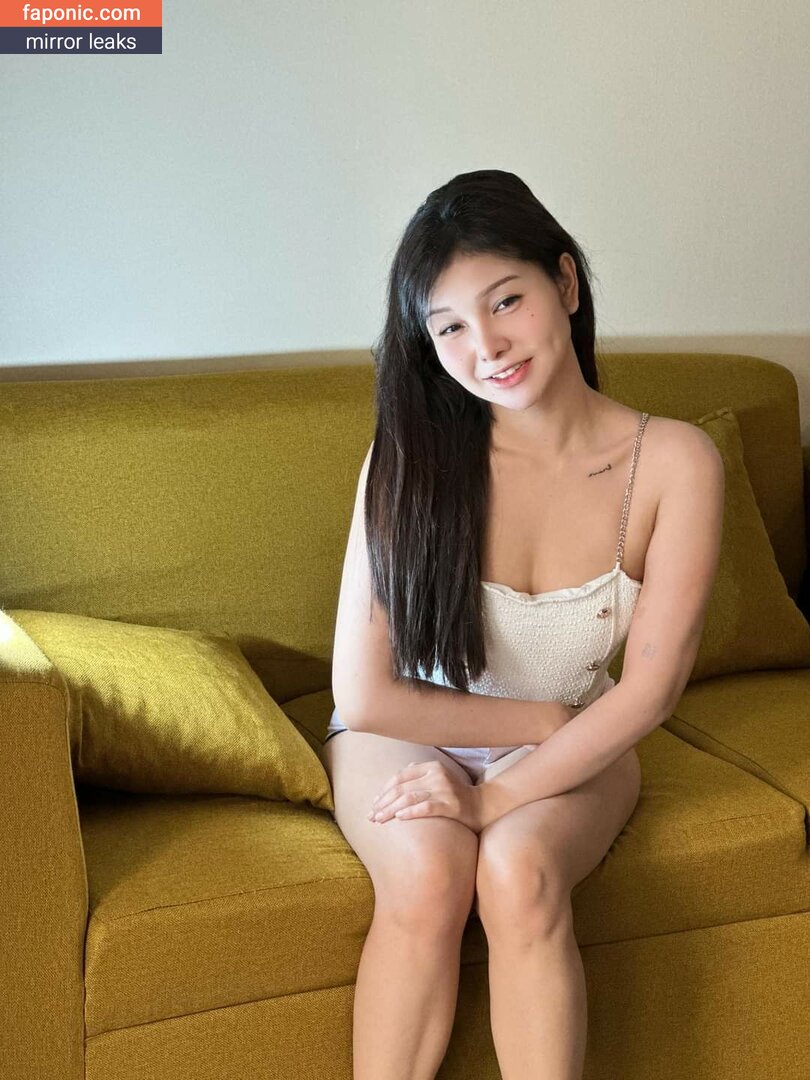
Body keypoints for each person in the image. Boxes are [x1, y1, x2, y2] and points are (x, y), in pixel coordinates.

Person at [318, 169, 724, 1080]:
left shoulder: (676, 463)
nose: (487, 346)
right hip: (409, 726)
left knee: (519, 871)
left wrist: (498, 797)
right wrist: (539, 721)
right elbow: (365, 693)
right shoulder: (408, 458)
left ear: (566, 283)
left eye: (506, 301)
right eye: (450, 327)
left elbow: (652, 692)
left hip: (584, 736)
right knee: (428, 873)